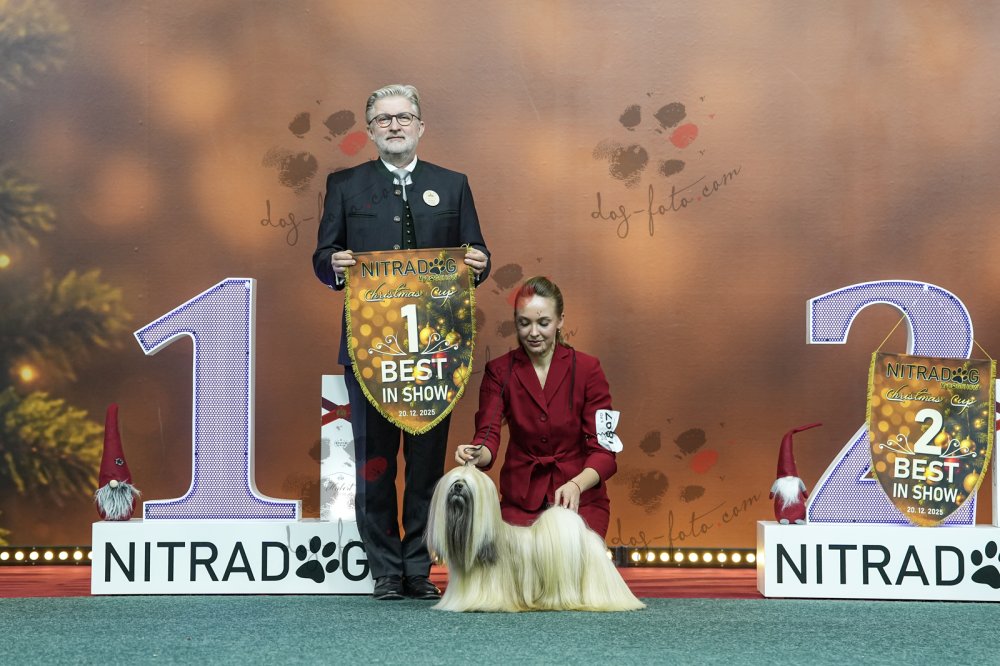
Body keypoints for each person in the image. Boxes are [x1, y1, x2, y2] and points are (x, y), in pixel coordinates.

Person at [312, 84, 490, 601]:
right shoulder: (344, 185)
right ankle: (385, 569)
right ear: (370, 131)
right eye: (384, 119)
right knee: (374, 464)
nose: (394, 125)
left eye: (404, 117)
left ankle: (419, 566)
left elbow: (477, 253)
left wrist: (479, 263)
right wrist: (332, 265)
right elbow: (322, 258)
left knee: (427, 465)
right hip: (370, 350)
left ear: (420, 126)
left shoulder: (453, 185)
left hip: (436, 352)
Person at [455, 276, 618, 538]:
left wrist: (576, 485)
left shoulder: (589, 370)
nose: (533, 333)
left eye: (543, 323)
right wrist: (475, 453)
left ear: (560, 320)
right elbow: (487, 436)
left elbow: (605, 451)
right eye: (524, 323)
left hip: (580, 501)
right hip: (520, 504)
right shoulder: (498, 371)